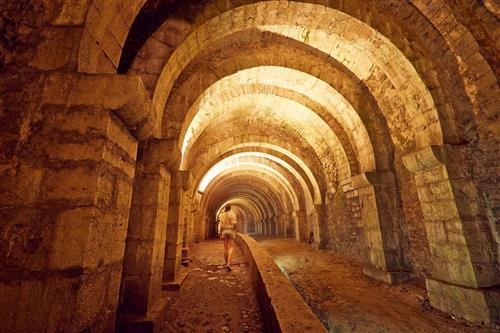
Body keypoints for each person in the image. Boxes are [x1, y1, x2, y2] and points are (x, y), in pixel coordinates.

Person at [218, 204, 237, 271]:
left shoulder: (221, 215)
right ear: (230, 208)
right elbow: (234, 224)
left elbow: (220, 226)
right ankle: (229, 264)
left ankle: (226, 264)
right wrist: (234, 229)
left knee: (225, 248)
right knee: (231, 247)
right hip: (231, 230)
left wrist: (220, 234)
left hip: (224, 231)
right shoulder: (232, 214)